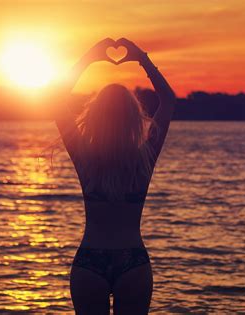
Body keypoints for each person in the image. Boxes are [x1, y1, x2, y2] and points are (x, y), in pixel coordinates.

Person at [53, 38, 176, 314]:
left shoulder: (86, 158)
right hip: (132, 260)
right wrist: (142, 59)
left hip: (89, 262)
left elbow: (57, 100)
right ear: (134, 118)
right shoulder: (143, 159)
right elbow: (168, 101)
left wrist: (88, 58)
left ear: (95, 117)